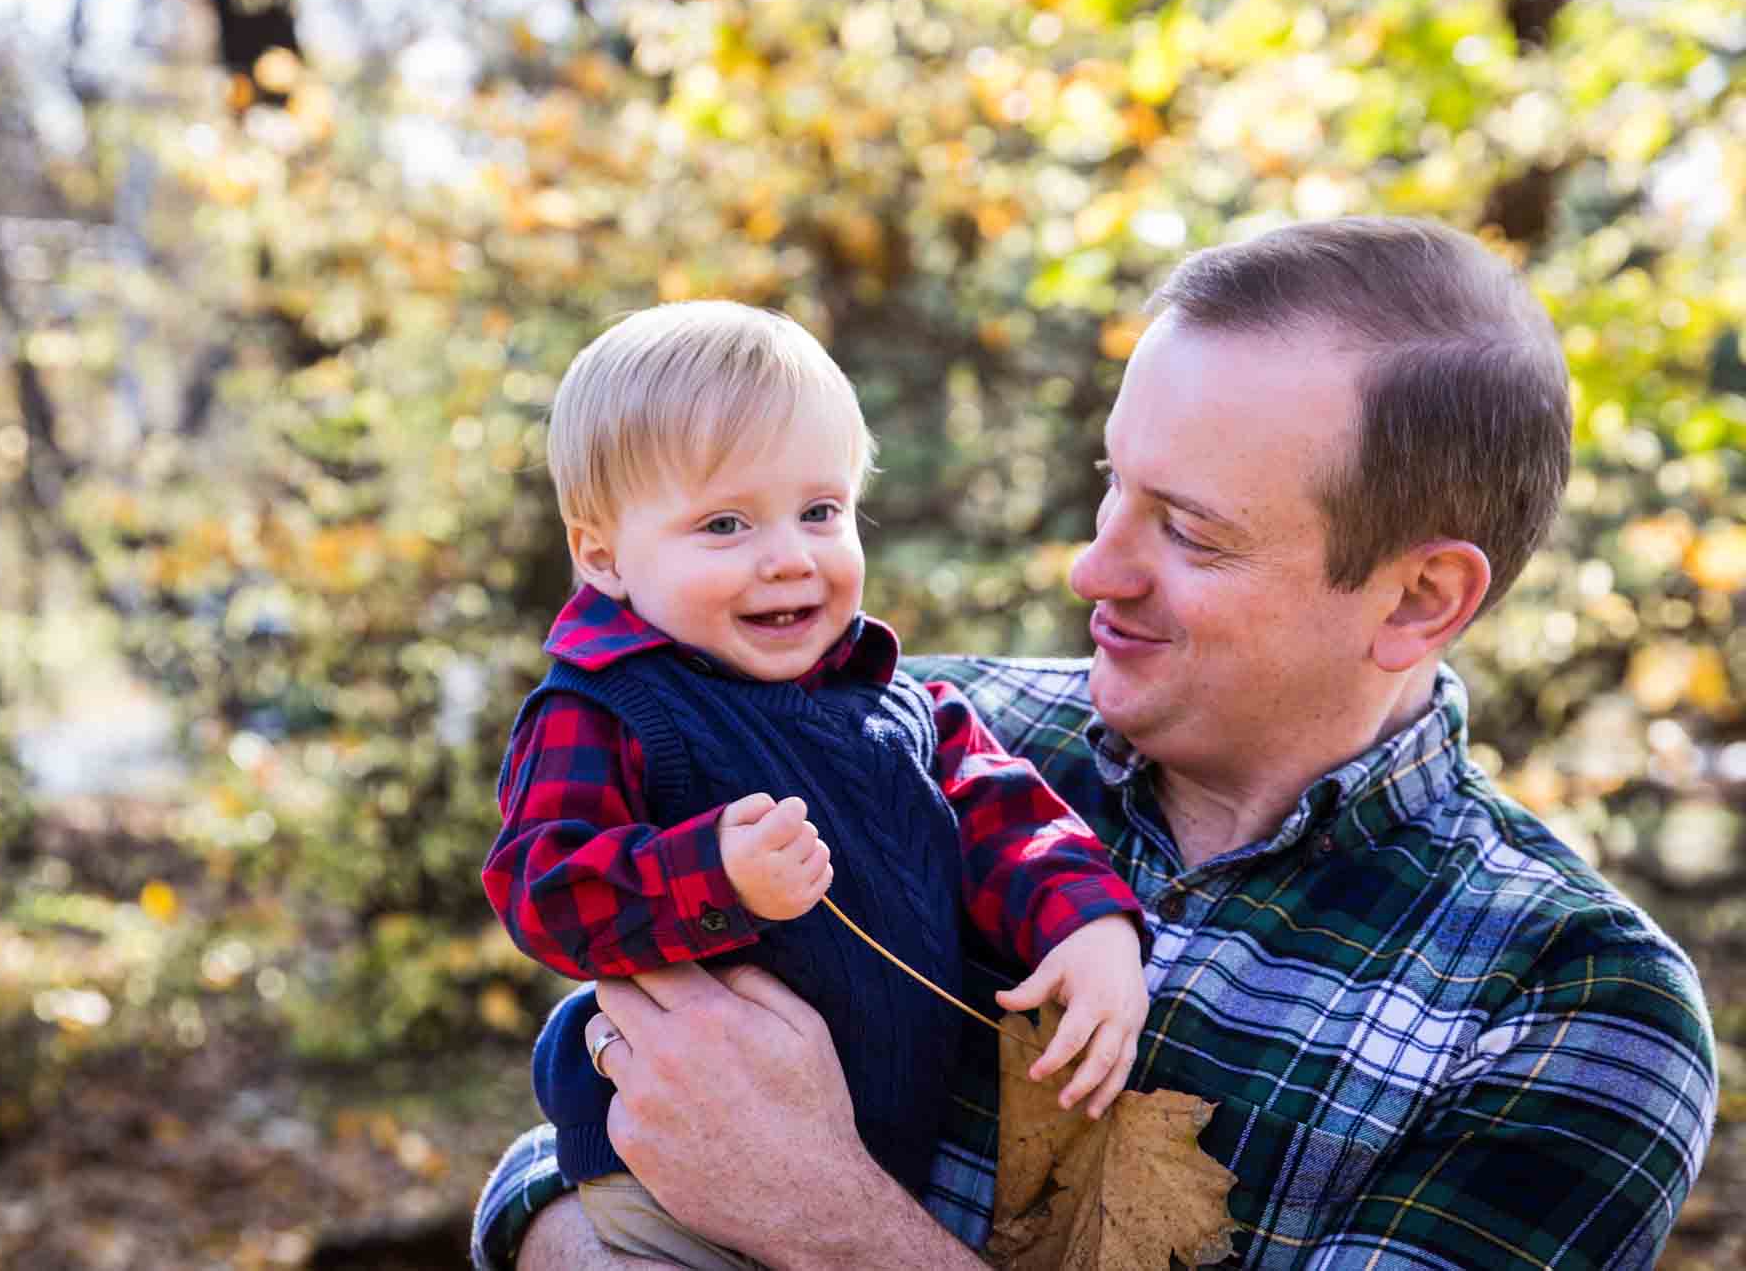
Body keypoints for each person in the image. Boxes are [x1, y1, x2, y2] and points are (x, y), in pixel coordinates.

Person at [471, 217, 1718, 1271]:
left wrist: (826, 1218)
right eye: (1109, 482)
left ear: (1415, 599)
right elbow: (578, 1145)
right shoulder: (921, 736)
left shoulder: (1568, 1010)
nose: (1089, 566)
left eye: (1187, 530)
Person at [482, 301, 1152, 1269]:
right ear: (601, 556)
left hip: (873, 1183)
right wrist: (711, 875)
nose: (789, 555)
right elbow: (542, 886)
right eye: (723, 523)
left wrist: (1088, 925)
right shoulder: (607, 709)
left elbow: (1008, 818)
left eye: (820, 511)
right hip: (668, 1191)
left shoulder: (900, 705)